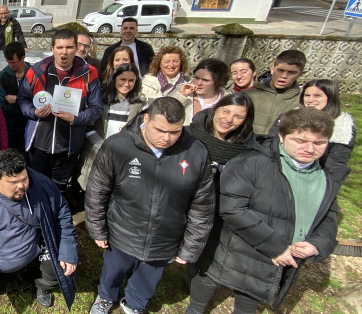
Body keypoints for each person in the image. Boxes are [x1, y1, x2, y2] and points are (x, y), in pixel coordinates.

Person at [187, 108, 339, 314]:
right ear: (282, 136)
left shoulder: (324, 178)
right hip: (234, 248)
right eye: (301, 141)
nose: (310, 149)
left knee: (250, 295)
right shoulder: (251, 162)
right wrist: (276, 247)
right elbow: (231, 207)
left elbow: (328, 216)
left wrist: (317, 244)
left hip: (270, 262)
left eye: (319, 142)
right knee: (208, 280)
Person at [85, 97, 214, 314]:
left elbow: (202, 206)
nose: (167, 138)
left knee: (148, 279)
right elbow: (98, 190)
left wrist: (190, 247)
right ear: (146, 118)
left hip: (164, 240)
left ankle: (134, 304)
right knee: (112, 271)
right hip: (122, 232)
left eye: (175, 132)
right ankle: (106, 296)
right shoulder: (118, 146)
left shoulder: (197, 153)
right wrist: (97, 229)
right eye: (160, 130)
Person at [0, 149, 79, 309]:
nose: (21, 186)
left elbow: (62, 213)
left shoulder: (40, 183)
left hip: (36, 250)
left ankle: (43, 286)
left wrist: (68, 251)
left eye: (24, 179)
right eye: (13, 182)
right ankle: (7, 278)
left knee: (56, 269)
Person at [18, 29, 102, 191]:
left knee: (58, 189)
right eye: (60, 47)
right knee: (36, 187)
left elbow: (96, 108)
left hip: (68, 147)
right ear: (52, 48)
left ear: (76, 48)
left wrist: (76, 118)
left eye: (69, 47)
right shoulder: (36, 71)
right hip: (39, 144)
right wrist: (34, 112)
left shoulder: (89, 73)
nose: (64, 52)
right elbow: (22, 99)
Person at [268, 79, 355, 197]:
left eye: (317, 96)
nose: (310, 100)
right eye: (307, 95)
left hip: (313, 182)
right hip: (277, 175)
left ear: (330, 97)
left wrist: (322, 190)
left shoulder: (342, 126)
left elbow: (336, 164)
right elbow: (270, 144)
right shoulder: (287, 118)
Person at [245, 49, 305, 135]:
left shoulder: (302, 101)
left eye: (291, 72)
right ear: (272, 69)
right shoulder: (249, 95)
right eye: (280, 70)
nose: (284, 76)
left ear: (300, 74)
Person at [0, 41, 30, 154]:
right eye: (8, 62)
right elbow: (3, 106)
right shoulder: (2, 76)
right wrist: (27, 106)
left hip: (31, 126)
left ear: (23, 58)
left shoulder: (35, 73)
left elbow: (40, 100)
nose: (11, 66)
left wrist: (18, 99)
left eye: (13, 63)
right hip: (10, 129)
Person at [174, 58, 230, 125]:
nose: (199, 83)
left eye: (205, 80)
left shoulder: (228, 100)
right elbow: (164, 113)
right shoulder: (183, 90)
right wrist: (180, 96)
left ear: (218, 82)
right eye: (197, 78)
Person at [98, 63, 145, 139]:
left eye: (131, 80)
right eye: (123, 79)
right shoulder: (100, 98)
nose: (126, 84)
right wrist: (102, 147)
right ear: (114, 79)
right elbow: (90, 128)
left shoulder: (141, 103)